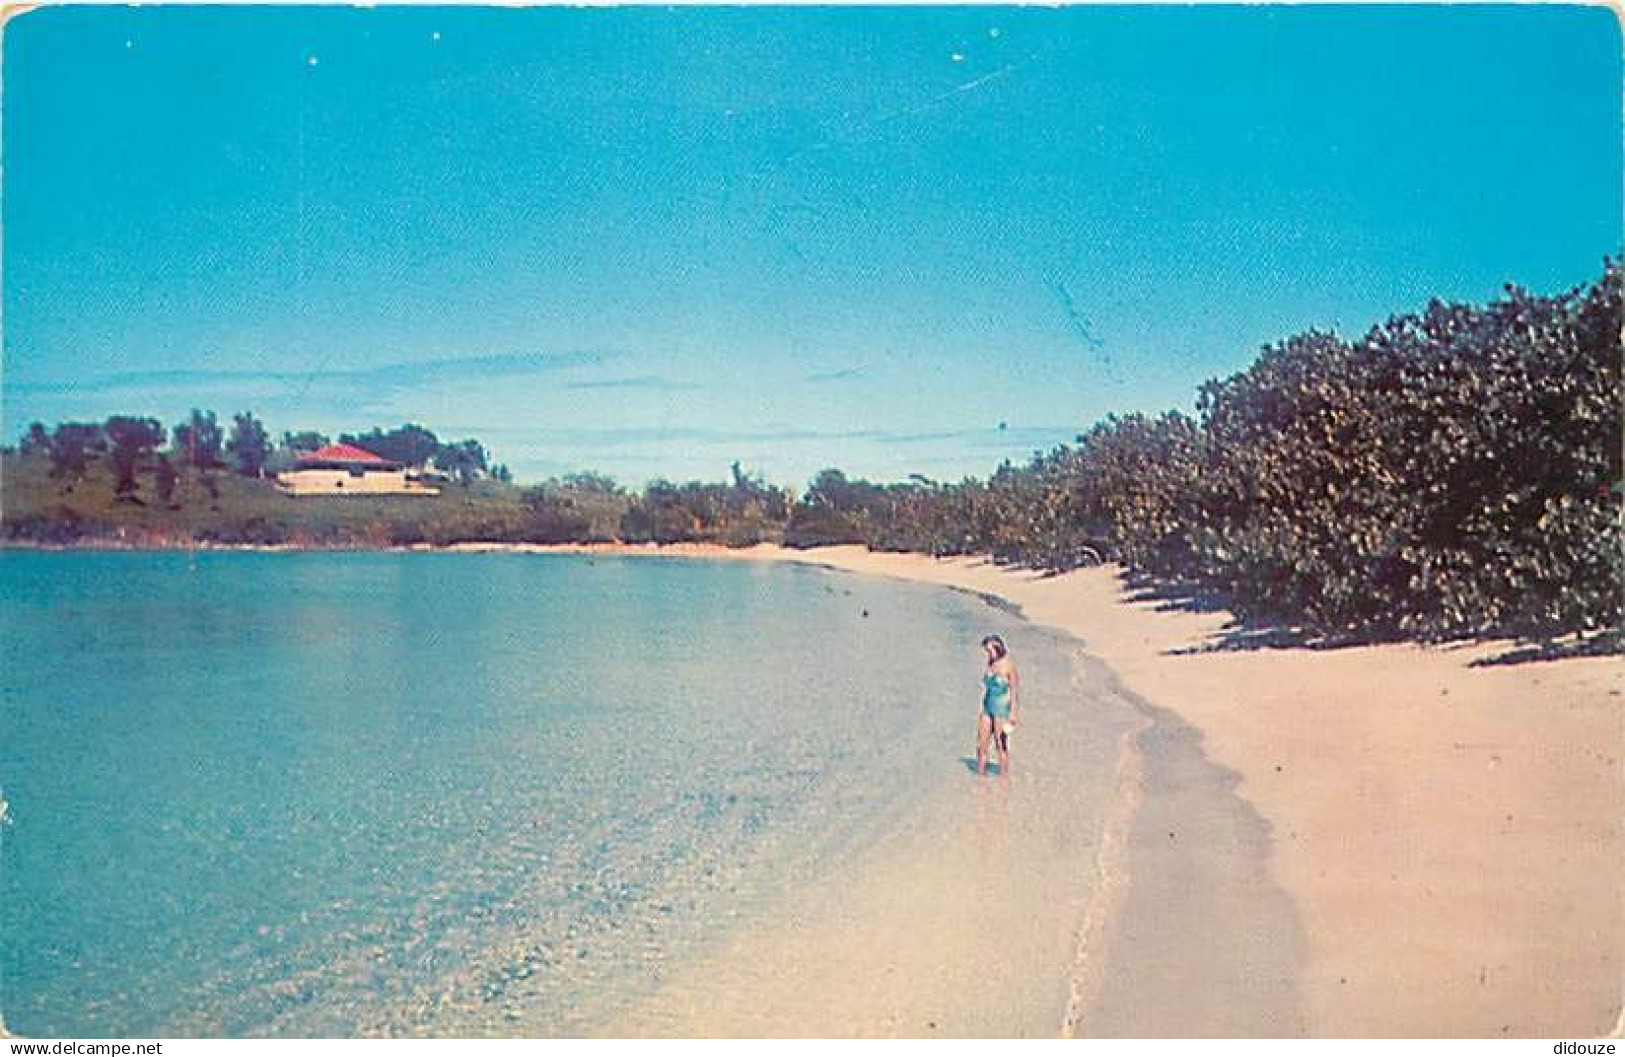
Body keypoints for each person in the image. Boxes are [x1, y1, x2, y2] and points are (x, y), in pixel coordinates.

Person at [977, 634, 1020, 777]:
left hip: (1001, 709)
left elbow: (1014, 692)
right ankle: (980, 778)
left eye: (990, 651)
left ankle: (1004, 780)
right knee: (981, 745)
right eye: (986, 651)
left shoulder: (1009, 666)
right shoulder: (990, 662)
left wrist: (1013, 714)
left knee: (1000, 745)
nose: (988, 654)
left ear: (998, 648)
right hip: (987, 706)